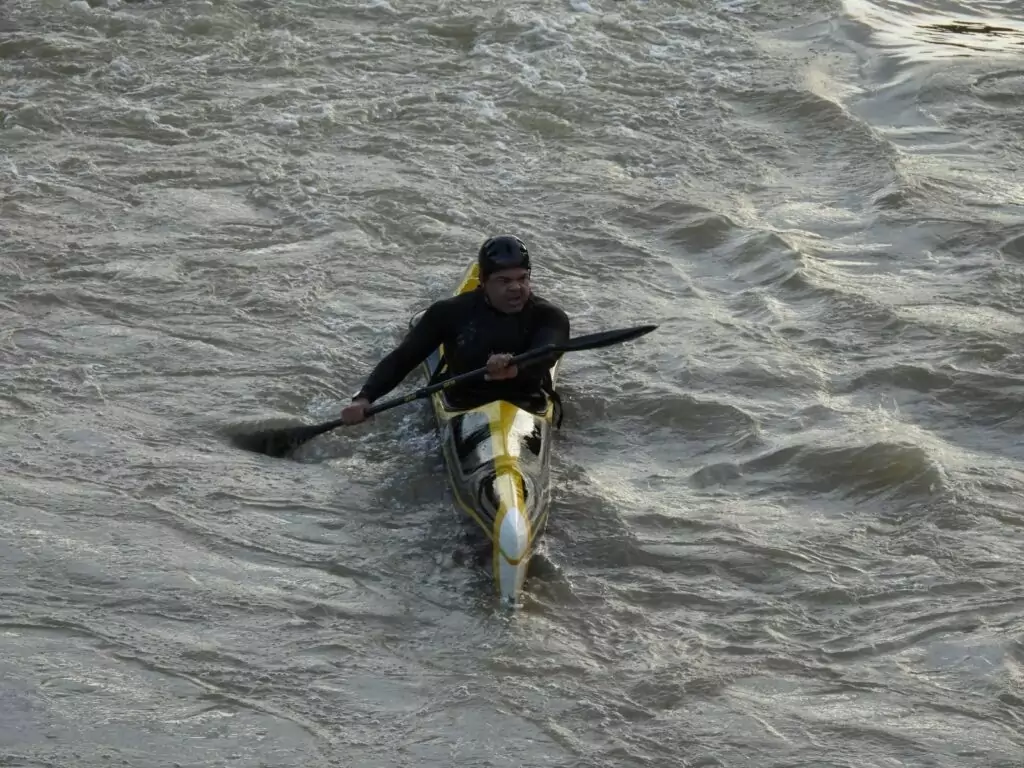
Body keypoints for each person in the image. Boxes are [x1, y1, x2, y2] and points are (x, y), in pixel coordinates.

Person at [340, 235, 570, 425]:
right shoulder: (449, 313)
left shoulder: (549, 316)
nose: (516, 288)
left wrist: (515, 368)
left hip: (526, 403)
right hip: (462, 402)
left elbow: (548, 350)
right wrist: (364, 398)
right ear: (482, 280)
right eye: (504, 281)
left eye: (522, 278)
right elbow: (403, 358)